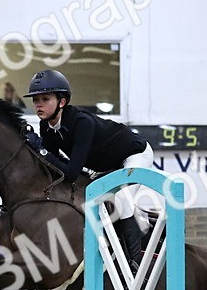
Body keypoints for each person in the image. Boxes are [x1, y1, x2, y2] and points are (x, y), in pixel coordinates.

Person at [23, 69, 152, 266]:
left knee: (121, 198)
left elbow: (71, 173)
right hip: (105, 166)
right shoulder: (46, 127)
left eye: (45, 98)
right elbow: (56, 168)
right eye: (35, 100)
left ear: (62, 102)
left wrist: (40, 150)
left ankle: (136, 264)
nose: (38, 104)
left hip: (134, 154)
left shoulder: (82, 122)